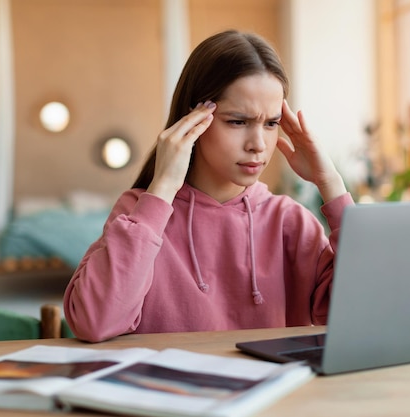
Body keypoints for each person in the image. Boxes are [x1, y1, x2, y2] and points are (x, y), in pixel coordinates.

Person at [63, 30, 354, 342]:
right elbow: (95, 322)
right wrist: (162, 188)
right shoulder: (139, 213)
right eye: (238, 121)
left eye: (271, 123)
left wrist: (331, 184)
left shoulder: (290, 221)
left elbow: (358, 315)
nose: (258, 144)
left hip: (271, 390)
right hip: (169, 389)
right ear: (193, 119)